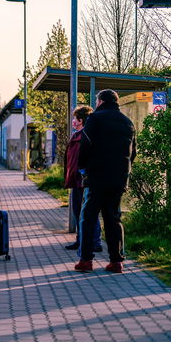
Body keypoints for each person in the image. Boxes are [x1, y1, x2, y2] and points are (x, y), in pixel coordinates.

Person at [75, 89, 136, 274]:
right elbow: (133, 153)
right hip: (118, 179)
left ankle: (86, 261)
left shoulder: (95, 119)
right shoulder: (128, 122)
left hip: (96, 177)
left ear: (100, 101)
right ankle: (116, 262)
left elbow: (85, 145)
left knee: (88, 217)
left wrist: (83, 169)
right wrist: (123, 171)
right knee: (113, 219)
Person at [63, 105, 102, 252]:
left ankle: (95, 242)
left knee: (88, 212)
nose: (73, 121)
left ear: (80, 120)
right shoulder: (76, 136)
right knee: (78, 212)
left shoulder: (85, 136)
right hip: (76, 180)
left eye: (75, 118)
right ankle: (81, 240)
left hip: (84, 181)